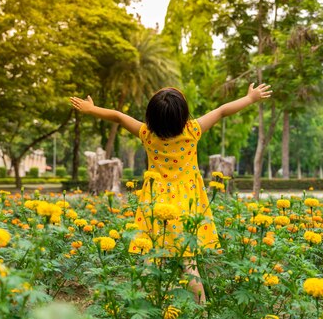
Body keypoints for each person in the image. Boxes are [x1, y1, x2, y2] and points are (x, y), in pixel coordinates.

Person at [69, 83, 271, 303]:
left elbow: (118, 116)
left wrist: (92, 109)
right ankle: (201, 310)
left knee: (151, 258)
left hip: (155, 202)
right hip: (187, 201)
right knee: (188, 262)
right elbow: (222, 111)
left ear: (151, 117)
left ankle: (146, 308)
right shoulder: (193, 130)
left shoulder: (147, 133)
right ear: (183, 115)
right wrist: (251, 98)